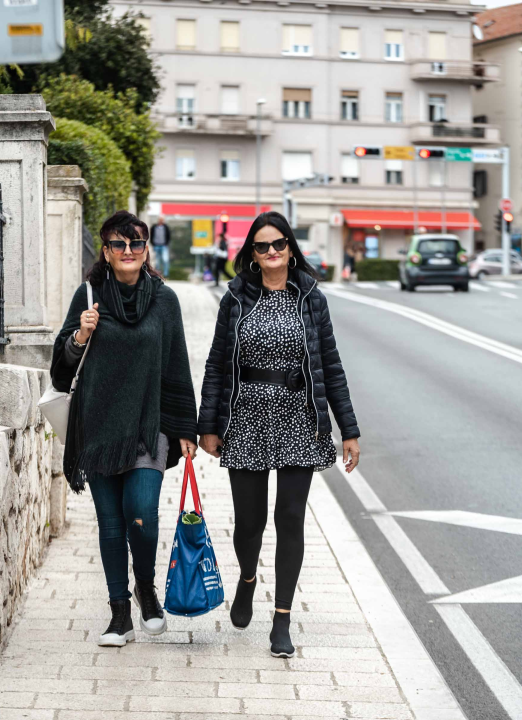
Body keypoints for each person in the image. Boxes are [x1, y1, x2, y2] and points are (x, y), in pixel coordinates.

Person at [198, 211, 361, 658]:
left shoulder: (311, 298)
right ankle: (247, 579)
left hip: (298, 417)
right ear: (251, 254)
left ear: (291, 247)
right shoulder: (235, 299)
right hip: (247, 417)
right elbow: (216, 364)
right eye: (262, 246)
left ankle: (283, 618)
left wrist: (348, 429)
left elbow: (330, 364)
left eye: (279, 244)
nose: (272, 252)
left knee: (289, 518)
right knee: (249, 523)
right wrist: (207, 426)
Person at [50, 210, 199, 648]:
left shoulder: (164, 300)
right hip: (98, 428)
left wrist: (185, 427)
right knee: (111, 525)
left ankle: (146, 589)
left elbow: (176, 366)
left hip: (147, 427)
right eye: (119, 244)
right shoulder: (89, 295)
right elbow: (60, 371)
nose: (128, 251)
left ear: (146, 249)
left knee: (142, 515)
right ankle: (120, 615)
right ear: (106, 251)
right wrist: (79, 336)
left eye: (136, 244)